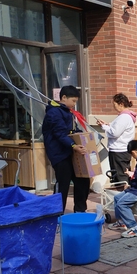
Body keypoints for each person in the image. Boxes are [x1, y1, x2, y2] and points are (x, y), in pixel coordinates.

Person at [42, 85, 90, 213]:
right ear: (63, 97)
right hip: (59, 153)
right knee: (63, 183)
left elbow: (71, 131)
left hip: (71, 152)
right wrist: (74, 146)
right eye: (73, 101)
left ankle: (80, 211)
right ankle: (57, 213)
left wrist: (82, 136)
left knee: (83, 180)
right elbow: (60, 133)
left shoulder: (67, 112)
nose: (74, 104)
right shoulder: (53, 113)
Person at [110, 140, 137, 238]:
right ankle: (122, 222)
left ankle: (134, 229)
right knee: (117, 198)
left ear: (133, 152)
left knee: (122, 204)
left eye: (132, 155)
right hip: (135, 187)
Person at [96, 93, 136, 183]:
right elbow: (117, 128)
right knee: (123, 173)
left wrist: (104, 126)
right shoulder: (127, 116)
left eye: (115, 105)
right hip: (123, 150)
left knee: (120, 176)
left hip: (119, 150)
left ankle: (122, 195)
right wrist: (108, 124)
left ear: (121, 104)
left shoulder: (124, 117)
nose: (114, 107)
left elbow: (115, 132)